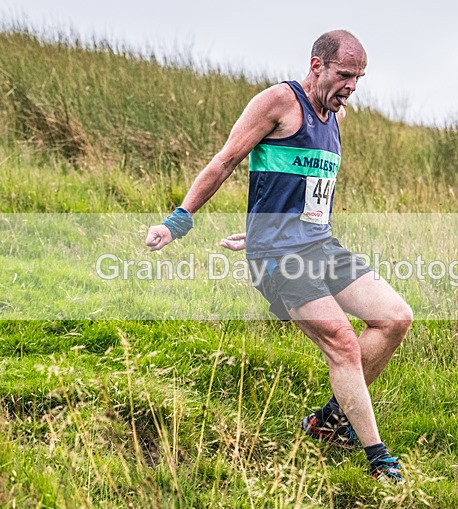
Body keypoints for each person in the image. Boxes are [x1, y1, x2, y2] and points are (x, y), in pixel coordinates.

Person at [145, 30, 412, 483]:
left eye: (359, 77)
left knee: (395, 317)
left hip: (318, 244)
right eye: (345, 75)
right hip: (280, 257)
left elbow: (307, 191)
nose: (352, 86)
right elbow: (226, 161)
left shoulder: (336, 118)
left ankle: (328, 420)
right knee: (344, 344)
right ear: (317, 66)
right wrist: (178, 221)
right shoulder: (278, 102)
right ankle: (378, 459)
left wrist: (267, 224)